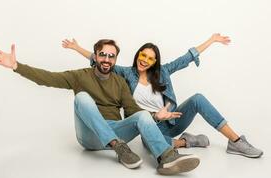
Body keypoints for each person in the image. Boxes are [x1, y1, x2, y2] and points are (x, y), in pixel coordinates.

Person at [0, 39, 201, 175]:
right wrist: (16, 66)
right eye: (102, 54)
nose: (106, 59)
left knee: (144, 114)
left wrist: (156, 116)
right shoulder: (80, 76)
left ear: (115, 59)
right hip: (90, 137)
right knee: (82, 97)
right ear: (95, 56)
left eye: (111, 56)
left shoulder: (120, 81)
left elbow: (134, 112)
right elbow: (47, 78)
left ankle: (166, 159)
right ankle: (118, 147)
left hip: (117, 130)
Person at [62, 34, 263, 158]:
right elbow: (100, 59)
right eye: (143, 55)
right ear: (137, 55)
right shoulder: (126, 73)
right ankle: (186, 142)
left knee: (198, 98)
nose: (145, 60)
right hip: (147, 124)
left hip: (171, 121)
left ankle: (236, 142)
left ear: (155, 61)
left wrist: (211, 40)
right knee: (151, 145)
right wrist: (76, 47)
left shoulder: (164, 71)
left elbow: (187, 58)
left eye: (150, 58)